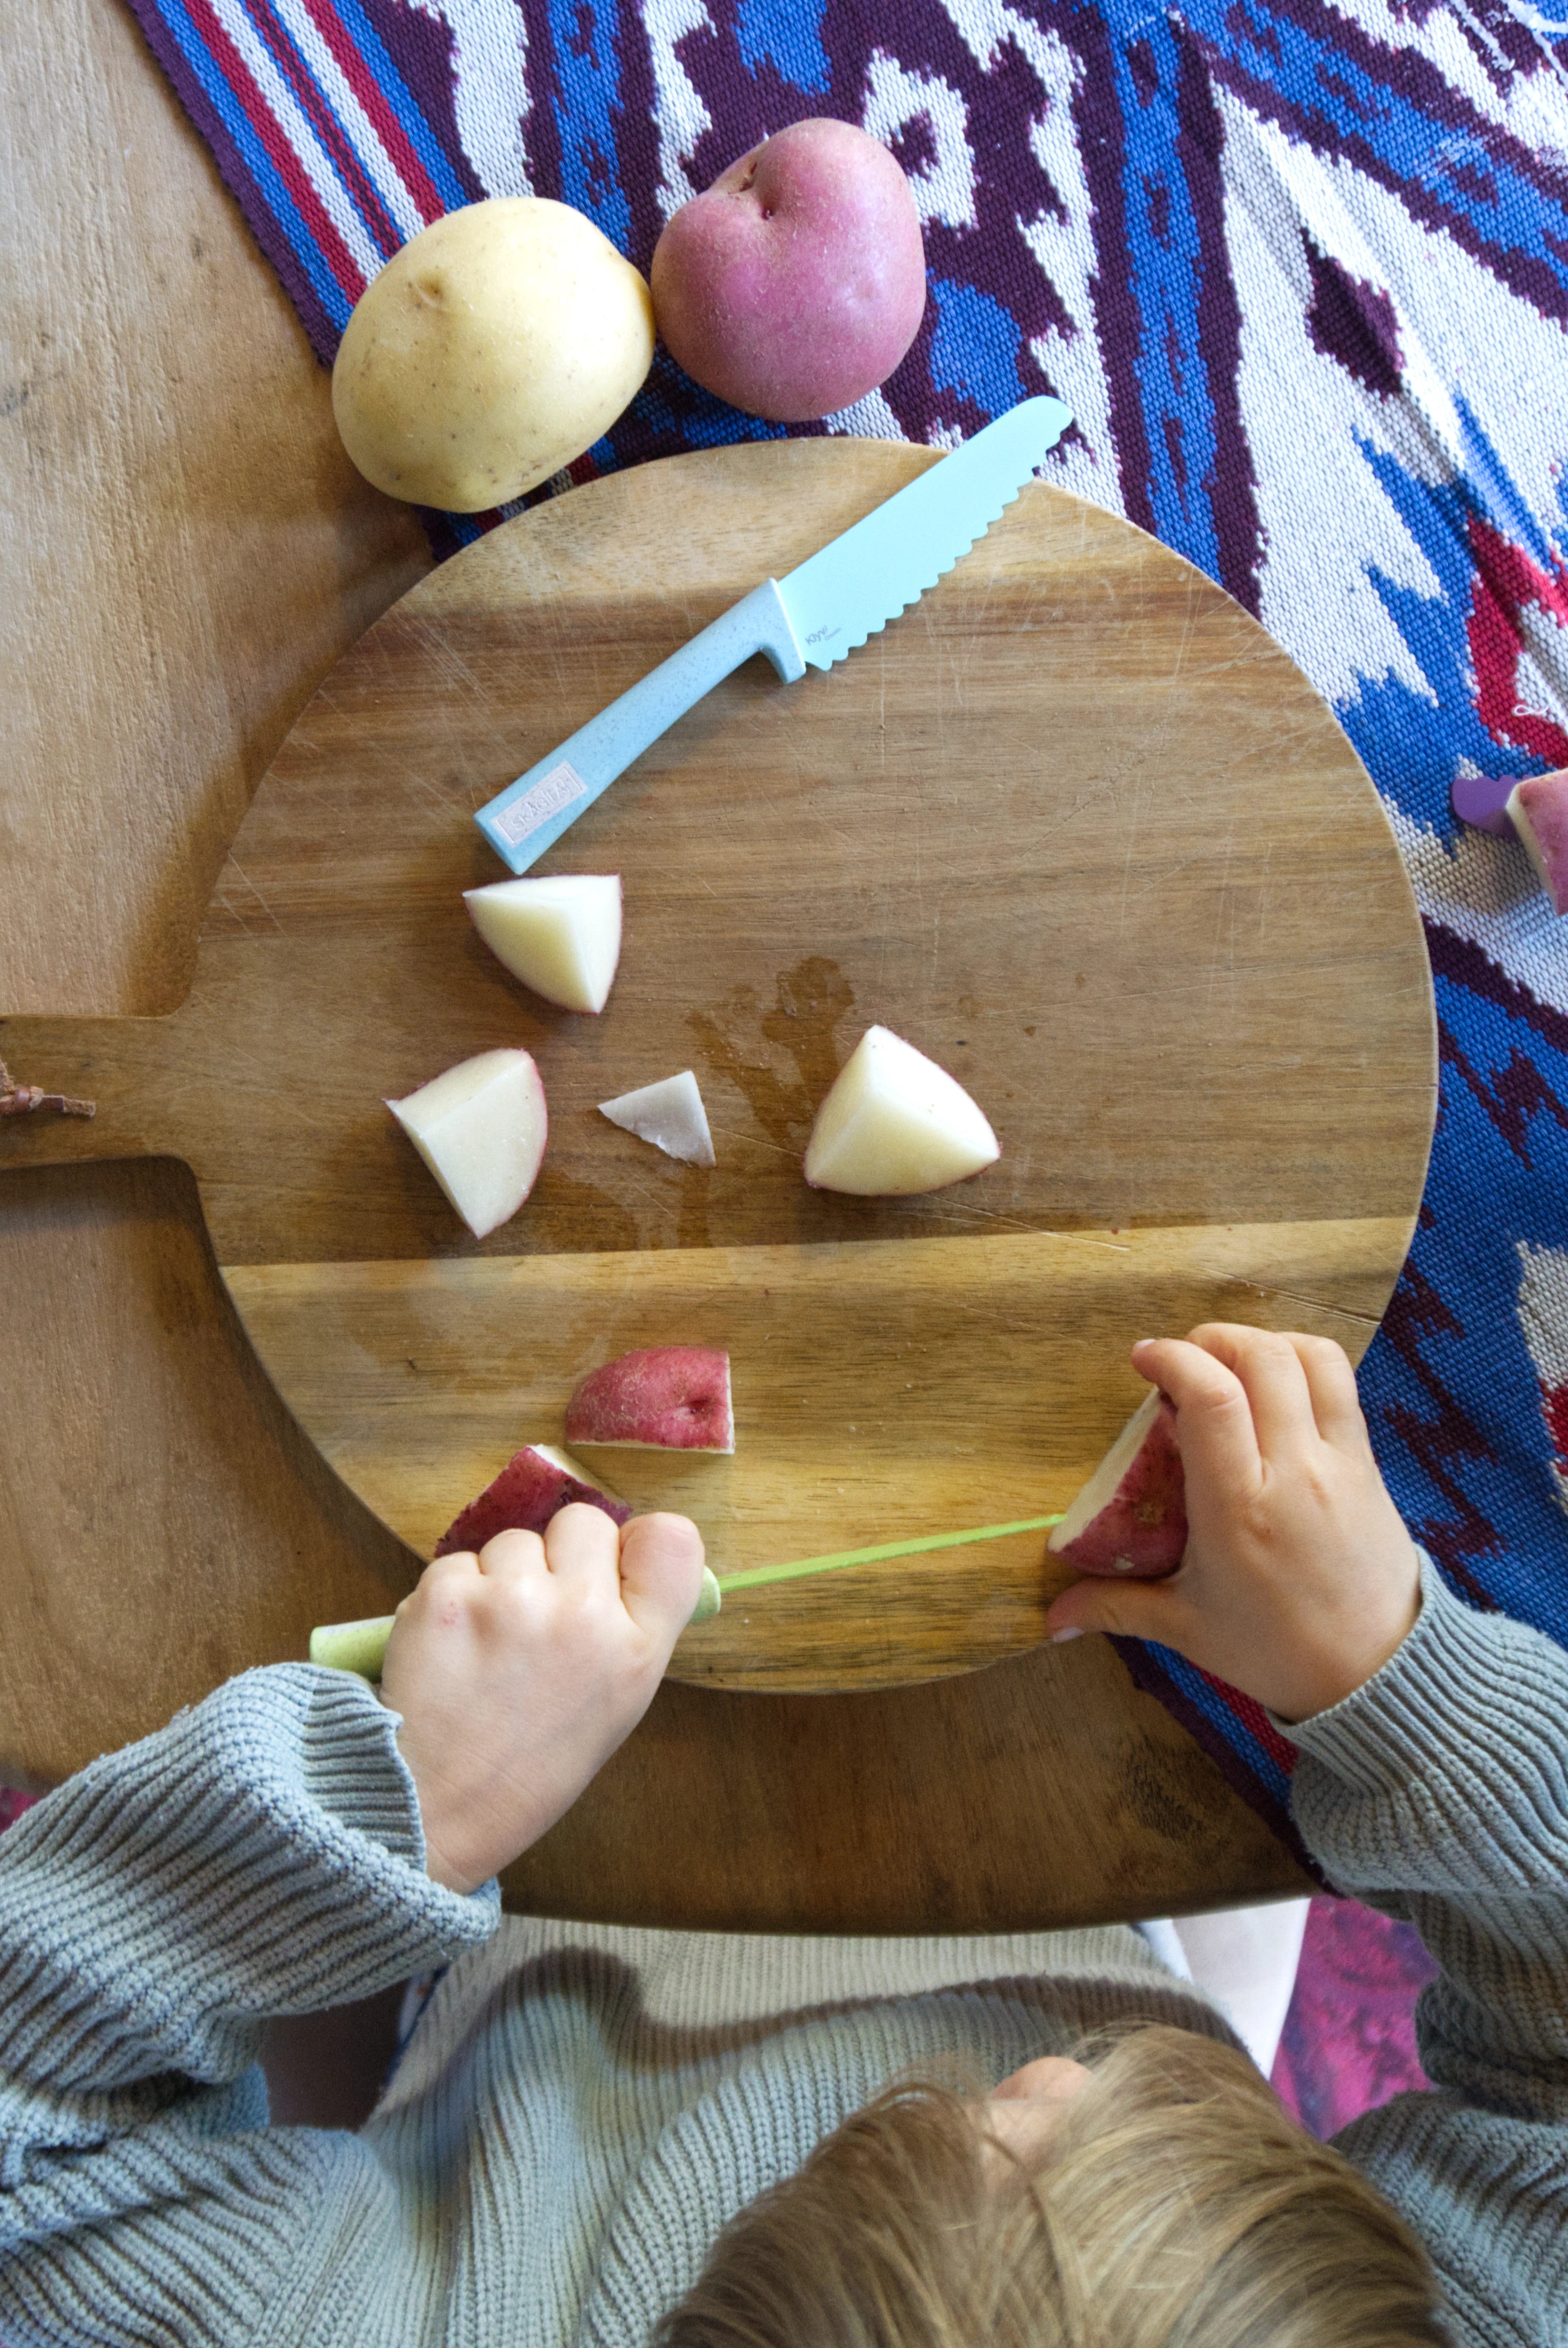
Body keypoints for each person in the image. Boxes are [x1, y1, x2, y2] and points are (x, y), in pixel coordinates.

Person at [0, 1326, 1562, 2345]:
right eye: (1125, 2113)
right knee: (1228, 1897)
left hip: (519, 2006)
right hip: (1123, 1938)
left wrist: (390, 1810)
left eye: (959, 2136)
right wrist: (1390, 1672)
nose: (1043, 2066)